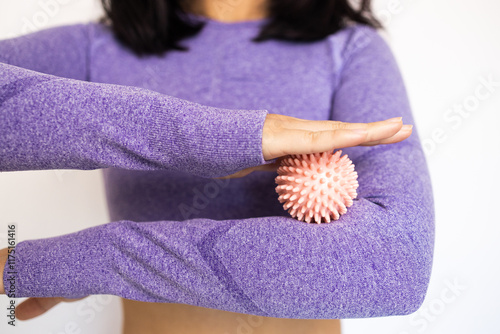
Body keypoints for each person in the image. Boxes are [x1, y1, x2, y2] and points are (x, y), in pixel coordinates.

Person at [0, 0, 434, 333]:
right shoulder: (94, 48)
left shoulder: (348, 49)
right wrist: (205, 138)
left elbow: (394, 265)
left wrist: (100, 258)